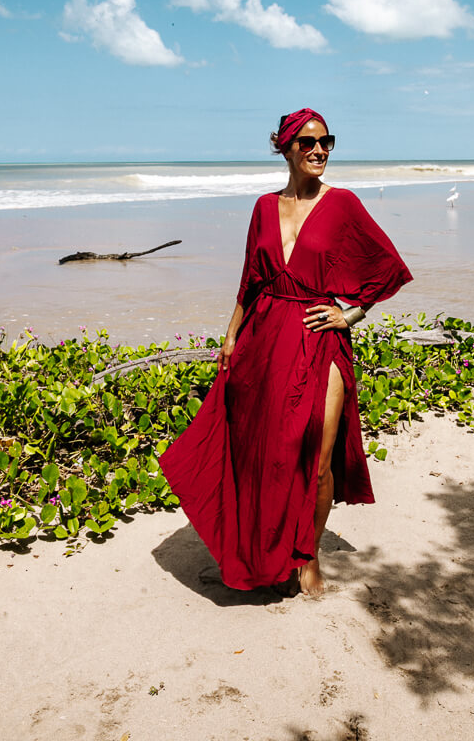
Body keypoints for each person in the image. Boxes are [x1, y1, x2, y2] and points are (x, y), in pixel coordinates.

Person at [159, 108, 412, 596]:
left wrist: (350, 314)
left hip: (320, 339)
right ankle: (256, 551)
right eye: (308, 143)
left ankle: (308, 559)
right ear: (286, 147)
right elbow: (249, 277)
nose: (319, 151)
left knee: (317, 458)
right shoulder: (262, 207)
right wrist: (231, 334)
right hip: (263, 337)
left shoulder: (343, 204)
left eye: (327, 142)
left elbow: (386, 268)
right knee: (259, 453)